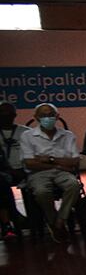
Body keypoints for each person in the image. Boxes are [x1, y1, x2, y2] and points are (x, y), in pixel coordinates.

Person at [19, 102, 82, 242]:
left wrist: (49, 159)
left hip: (62, 172)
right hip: (38, 174)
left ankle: (58, 222)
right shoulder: (27, 136)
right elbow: (29, 163)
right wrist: (59, 164)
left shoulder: (67, 135)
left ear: (57, 116)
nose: (47, 118)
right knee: (41, 192)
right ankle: (53, 219)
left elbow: (75, 161)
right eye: (43, 116)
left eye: (51, 115)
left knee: (74, 185)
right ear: (36, 117)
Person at [0, 102, 29, 238]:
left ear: (14, 116)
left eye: (9, 114)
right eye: (2, 114)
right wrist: (10, 170)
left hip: (26, 169)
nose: (6, 117)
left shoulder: (25, 132)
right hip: (4, 172)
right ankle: (10, 221)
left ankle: (37, 217)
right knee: (1, 185)